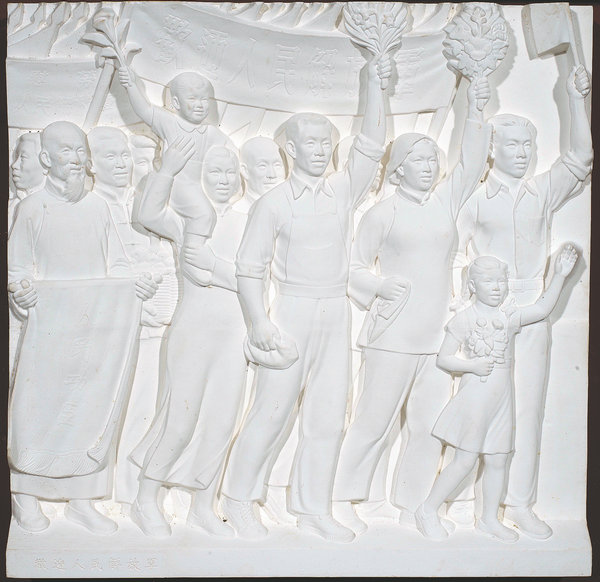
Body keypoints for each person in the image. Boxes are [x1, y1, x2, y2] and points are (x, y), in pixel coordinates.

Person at [220, 55, 391, 544]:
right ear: (290, 149)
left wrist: (376, 84)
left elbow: (372, 143)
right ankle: (238, 499)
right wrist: (259, 323)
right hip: (291, 313)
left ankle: (313, 508)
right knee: (272, 411)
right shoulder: (272, 203)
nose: (319, 150)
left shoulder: (342, 191)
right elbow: (249, 268)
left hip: (335, 312)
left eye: (325, 141)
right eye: (310, 142)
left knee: (328, 416)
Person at [332, 76, 491, 532]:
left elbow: (471, 162)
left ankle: (412, 503)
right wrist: (378, 286)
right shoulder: (381, 214)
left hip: (438, 338)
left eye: (432, 158)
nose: (429, 165)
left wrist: (477, 110)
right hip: (393, 337)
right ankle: (343, 497)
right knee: (374, 421)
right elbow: (352, 267)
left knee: (427, 425)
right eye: (418, 159)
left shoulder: (444, 203)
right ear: (398, 169)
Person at [455, 65, 592, 538]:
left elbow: (580, 157)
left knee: (528, 410)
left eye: (528, 146)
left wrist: (576, 99)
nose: (522, 153)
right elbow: (456, 255)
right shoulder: (476, 200)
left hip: (533, 309)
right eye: (512, 145)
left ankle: (519, 503)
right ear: (493, 149)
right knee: (485, 409)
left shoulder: (541, 192)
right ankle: (477, 506)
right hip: (487, 317)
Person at [7, 121, 158, 535]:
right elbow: (17, 268)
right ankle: (26, 494)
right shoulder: (32, 209)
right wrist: (22, 292)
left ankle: (82, 499)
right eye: (65, 151)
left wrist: (137, 285)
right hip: (49, 329)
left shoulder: (98, 208)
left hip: (94, 327)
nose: (75, 159)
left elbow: (119, 264)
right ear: (46, 159)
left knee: (90, 406)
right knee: (38, 406)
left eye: (79, 150)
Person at [415, 246, 578, 543]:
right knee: (465, 460)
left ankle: (489, 519)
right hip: (476, 399)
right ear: (473, 286)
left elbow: (541, 309)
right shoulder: (464, 319)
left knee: (498, 459)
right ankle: (427, 510)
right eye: (489, 281)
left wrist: (559, 275)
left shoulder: (508, 317)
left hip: (502, 399)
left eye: (501, 281)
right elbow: (444, 358)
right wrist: (472, 366)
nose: (496, 288)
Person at [130, 141, 249, 538]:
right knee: (179, 421)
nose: (224, 179)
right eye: (214, 171)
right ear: (199, 178)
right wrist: (167, 170)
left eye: (230, 171)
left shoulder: (250, 220)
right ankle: (145, 498)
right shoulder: (188, 221)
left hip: (234, 335)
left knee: (221, 423)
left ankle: (202, 506)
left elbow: (259, 278)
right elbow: (147, 213)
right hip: (193, 331)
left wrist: (218, 271)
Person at [87, 127, 176, 508]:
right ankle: (105, 490)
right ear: (91, 164)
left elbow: (165, 255)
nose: (122, 163)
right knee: (110, 410)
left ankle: (134, 489)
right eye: (111, 156)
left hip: (156, 324)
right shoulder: (91, 209)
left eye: (124, 154)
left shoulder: (142, 204)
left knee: (148, 407)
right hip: (114, 329)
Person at [119, 66, 235, 245]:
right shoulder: (170, 123)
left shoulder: (211, 133)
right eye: (192, 99)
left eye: (204, 99)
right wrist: (131, 85)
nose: (200, 105)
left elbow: (233, 153)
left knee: (207, 215)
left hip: (197, 185)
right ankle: (192, 250)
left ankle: (192, 246)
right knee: (204, 214)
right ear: (176, 103)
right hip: (177, 184)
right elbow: (144, 109)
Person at [8, 132, 45, 378]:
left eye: (22, 157)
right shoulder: (11, 207)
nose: (13, 165)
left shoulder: (57, 209)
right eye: (15, 157)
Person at [234, 136, 286, 215]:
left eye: (277, 165)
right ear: (245, 171)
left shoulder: (296, 209)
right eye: (262, 166)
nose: (272, 175)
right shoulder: (236, 213)